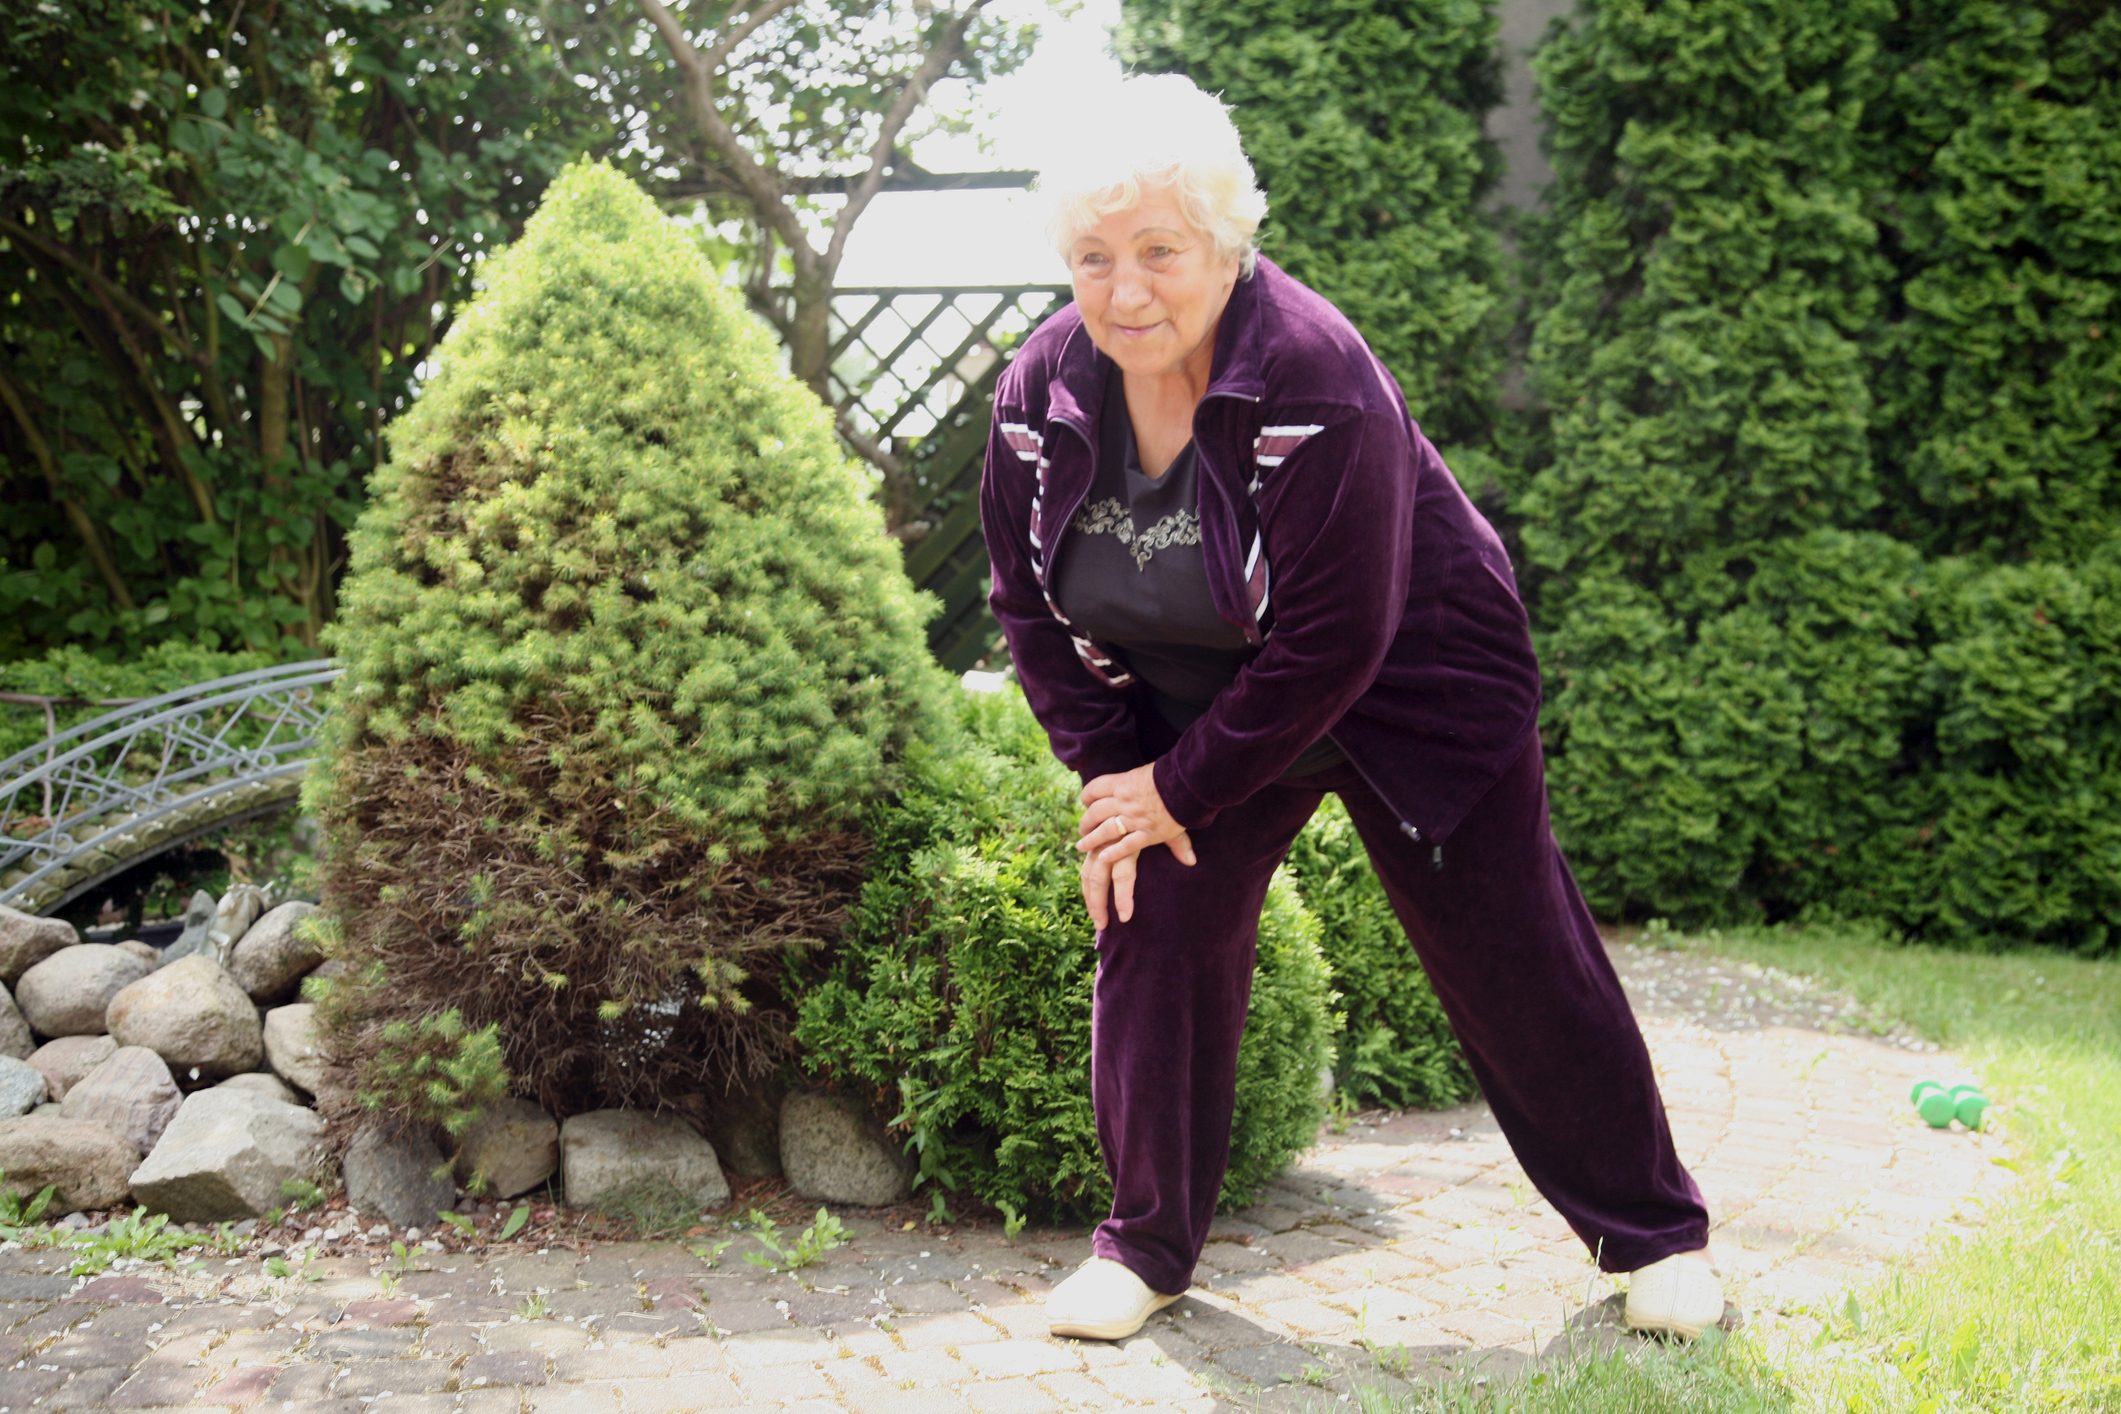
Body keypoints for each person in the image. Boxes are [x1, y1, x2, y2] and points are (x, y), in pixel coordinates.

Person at [978, 75, 1726, 1344]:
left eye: (1160, 251)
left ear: (1225, 246)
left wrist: (1175, 784)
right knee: (1152, 915)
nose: (1127, 288)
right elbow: (1027, 604)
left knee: (1510, 953)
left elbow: (1338, 639)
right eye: (1093, 258)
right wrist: (1123, 786)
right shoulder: (1042, 396)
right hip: (1205, 698)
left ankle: (1657, 1239)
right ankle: (1145, 1247)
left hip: (1411, 683)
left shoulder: (1314, 373)